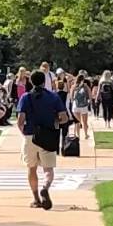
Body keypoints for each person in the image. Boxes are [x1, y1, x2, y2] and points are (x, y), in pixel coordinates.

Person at [16, 67, 66, 209]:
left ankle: (36, 198)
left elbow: (20, 121)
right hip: (48, 135)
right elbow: (64, 118)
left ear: (30, 82)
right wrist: (54, 121)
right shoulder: (54, 97)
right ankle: (46, 186)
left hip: (30, 135)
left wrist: (24, 133)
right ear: (44, 82)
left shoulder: (25, 97)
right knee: (48, 169)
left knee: (31, 169)